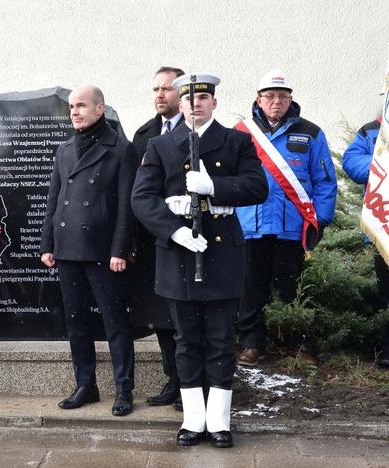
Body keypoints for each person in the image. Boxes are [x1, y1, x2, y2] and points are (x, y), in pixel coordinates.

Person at [132, 73, 268, 448]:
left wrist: (215, 187)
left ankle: (219, 422)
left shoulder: (236, 141)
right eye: (190, 98)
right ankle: (193, 420)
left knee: (222, 340)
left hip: (223, 252)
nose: (197, 104)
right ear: (182, 102)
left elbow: (259, 187)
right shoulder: (161, 145)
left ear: (214, 103)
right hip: (178, 254)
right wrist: (173, 230)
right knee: (187, 340)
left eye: (204, 97)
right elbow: (141, 198)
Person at [40, 85, 138, 417]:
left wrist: (120, 250)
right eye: (71, 107)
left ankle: (124, 390)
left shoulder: (121, 148)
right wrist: (47, 244)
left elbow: (127, 206)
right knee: (76, 322)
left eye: (81, 105)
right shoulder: (65, 148)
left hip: (102, 252)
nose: (75, 112)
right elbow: (54, 201)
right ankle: (86, 385)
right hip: (68, 249)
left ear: (100, 109)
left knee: (116, 323)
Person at [235, 70, 337, 369]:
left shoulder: (311, 132)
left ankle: (300, 344)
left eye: (282, 95)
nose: (276, 101)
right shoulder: (240, 132)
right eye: (269, 96)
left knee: (292, 287)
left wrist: (321, 221)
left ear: (290, 99)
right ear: (259, 99)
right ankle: (252, 343)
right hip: (250, 225)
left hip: (292, 226)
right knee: (251, 288)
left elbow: (325, 180)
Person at [131, 66, 185, 411]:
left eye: (166, 88)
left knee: (186, 316)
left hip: (187, 240)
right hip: (153, 241)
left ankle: (192, 382)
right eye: (155, 89)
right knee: (163, 316)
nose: (159, 95)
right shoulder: (144, 134)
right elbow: (134, 191)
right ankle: (173, 380)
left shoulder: (197, 132)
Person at [342, 116, 389, 367]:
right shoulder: (372, 129)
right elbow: (351, 163)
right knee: (386, 293)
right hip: (384, 227)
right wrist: (382, 162)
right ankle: (387, 349)